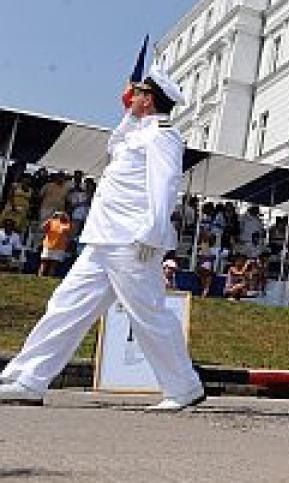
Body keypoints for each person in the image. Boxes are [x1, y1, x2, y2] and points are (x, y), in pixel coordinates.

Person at [0, 67, 205, 411]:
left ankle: (184, 386)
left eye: (138, 93)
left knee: (149, 315)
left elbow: (165, 183)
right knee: (65, 306)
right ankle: (28, 379)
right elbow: (115, 144)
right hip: (104, 239)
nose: (131, 97)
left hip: (132, 241)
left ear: (149, 99)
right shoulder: (138, 132)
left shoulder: (163, 136)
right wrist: (130, 115)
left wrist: (153, 232)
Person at [38, 211, 72, 277]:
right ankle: (40, 276)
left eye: (63, 215)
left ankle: (50, 277)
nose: (61, 216)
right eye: (60, 215)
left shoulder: (67, 224)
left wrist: (67, 219)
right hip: (48, 245)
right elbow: (43, 227)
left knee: (54, 264)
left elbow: (67, 231)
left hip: (59, 247)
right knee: (44, 262)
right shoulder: (51, 221)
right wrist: (51, 218)